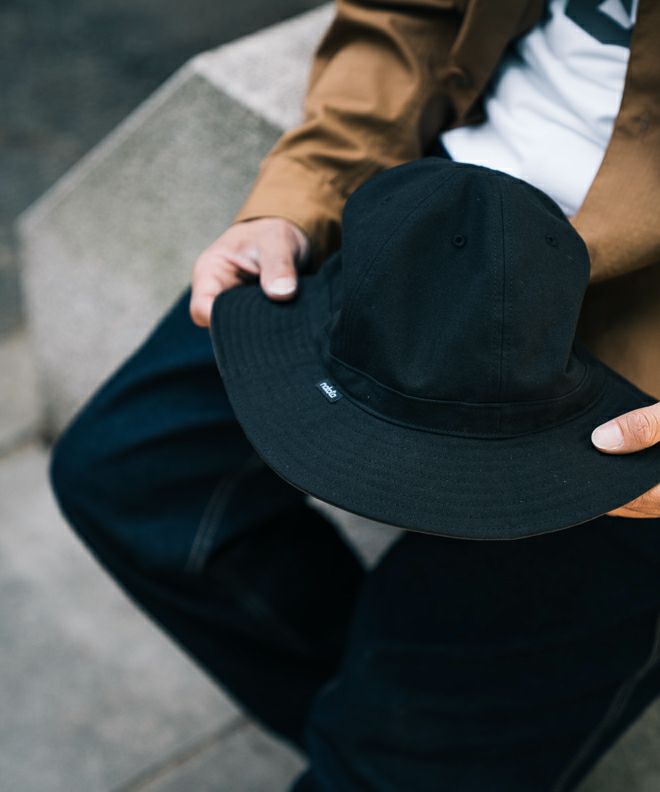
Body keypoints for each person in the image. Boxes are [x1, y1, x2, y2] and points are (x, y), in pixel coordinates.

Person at [49, 1, 660, 789]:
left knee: (404, 739)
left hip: (632, 370)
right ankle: (399, 738)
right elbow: (405, 14)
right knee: (129, 472)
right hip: (425, 227)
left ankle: (409, 747)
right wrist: (304, 190)